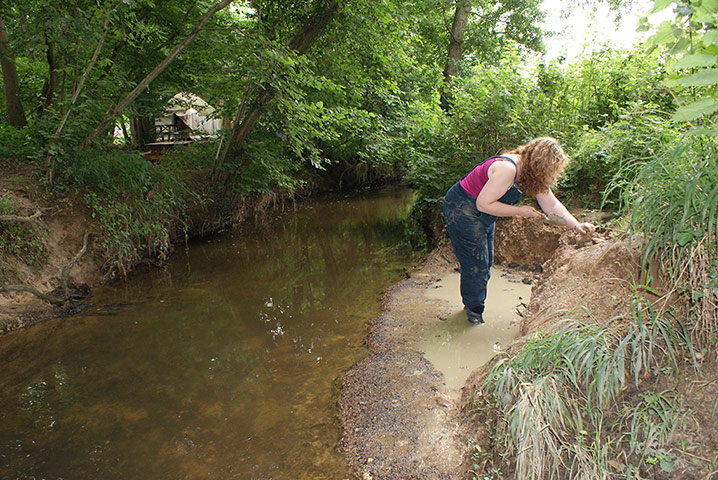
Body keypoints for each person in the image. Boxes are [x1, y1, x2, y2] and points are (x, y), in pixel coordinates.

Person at [442, 137, 595, 325]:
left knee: (485, 261)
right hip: (462, 208)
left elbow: (551, 204)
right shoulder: (508, 169)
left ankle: (472, 303)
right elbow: (483, 204)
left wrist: (576, 225)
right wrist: (520, 211)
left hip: (483, 211)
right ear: (539, 165)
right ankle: (474, 313)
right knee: (476, 265)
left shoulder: (530, 173)